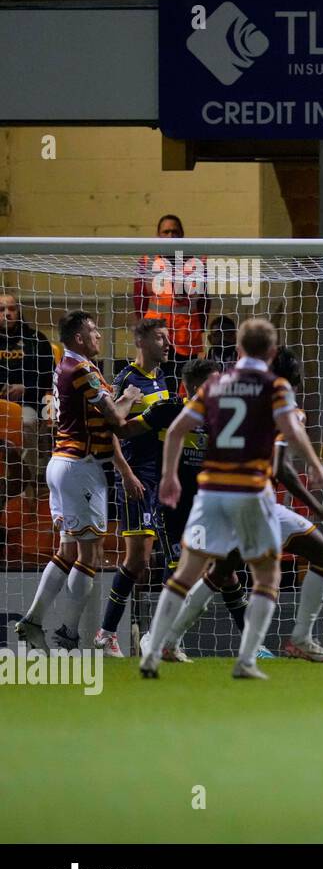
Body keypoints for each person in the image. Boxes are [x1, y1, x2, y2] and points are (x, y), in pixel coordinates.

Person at [139, 318, 323, 680]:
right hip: (250, 492)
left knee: (185, 573)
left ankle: (153, 652)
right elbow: (292, 431)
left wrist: (168, 477)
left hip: (211, 491)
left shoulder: (214, 385)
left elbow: (177, 429)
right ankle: (246, 660)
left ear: (238, 350)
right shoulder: (275, 387)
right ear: (271, 352)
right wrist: (316, 466)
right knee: (267, 576)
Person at [14, 312, 141, 651]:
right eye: (94, 330)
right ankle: (68, 633)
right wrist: (129, 396)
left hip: (63, 464)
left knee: (68, 549)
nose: (99, 334)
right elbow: (115, 419)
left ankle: (34, 620)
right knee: (90, 554)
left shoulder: (69, 366)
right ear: (80, 338)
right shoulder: (82, 369)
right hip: (80, 467)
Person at [119, 358, 257, 661]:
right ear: (195, 387)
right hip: (173, 508)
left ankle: (253, 645)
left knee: (228, 574)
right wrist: (122, 403)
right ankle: (159, 639)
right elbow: (124, 430)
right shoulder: (170, 409)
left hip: (211, 506)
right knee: (182, 574)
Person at [93, 318, 172, 657]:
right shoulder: (127, 379)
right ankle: (107, 632)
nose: (167, 343)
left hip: (161, 478)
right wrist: (125, 473)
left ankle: (156, 635)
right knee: (137, 559)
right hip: (137, 477)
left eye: (167, 337)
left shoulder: (163, 379)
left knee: (162, 558)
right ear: (140, 341)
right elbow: (110, 429)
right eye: (159, 337)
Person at [134, 214, 209, 389]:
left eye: (175, 231)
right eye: (166, 232)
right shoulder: (148, 260)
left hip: (186, 337)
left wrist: (201, 328)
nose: (170, 236)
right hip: (156, 336)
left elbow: (205, 301)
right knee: (158, 385)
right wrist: (143, 329)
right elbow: (139, 299)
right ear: (158, 235)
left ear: (182, 234)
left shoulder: (197, 262)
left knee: (185, 387)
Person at [0, 291, 56, 488]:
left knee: (27, 423)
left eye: (11, 309)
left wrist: (26, 389)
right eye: (1, 309)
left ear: (18, 311)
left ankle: (26, 483)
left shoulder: (36, 340)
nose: (7, 313)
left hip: (27, 404)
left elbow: (49, 377)